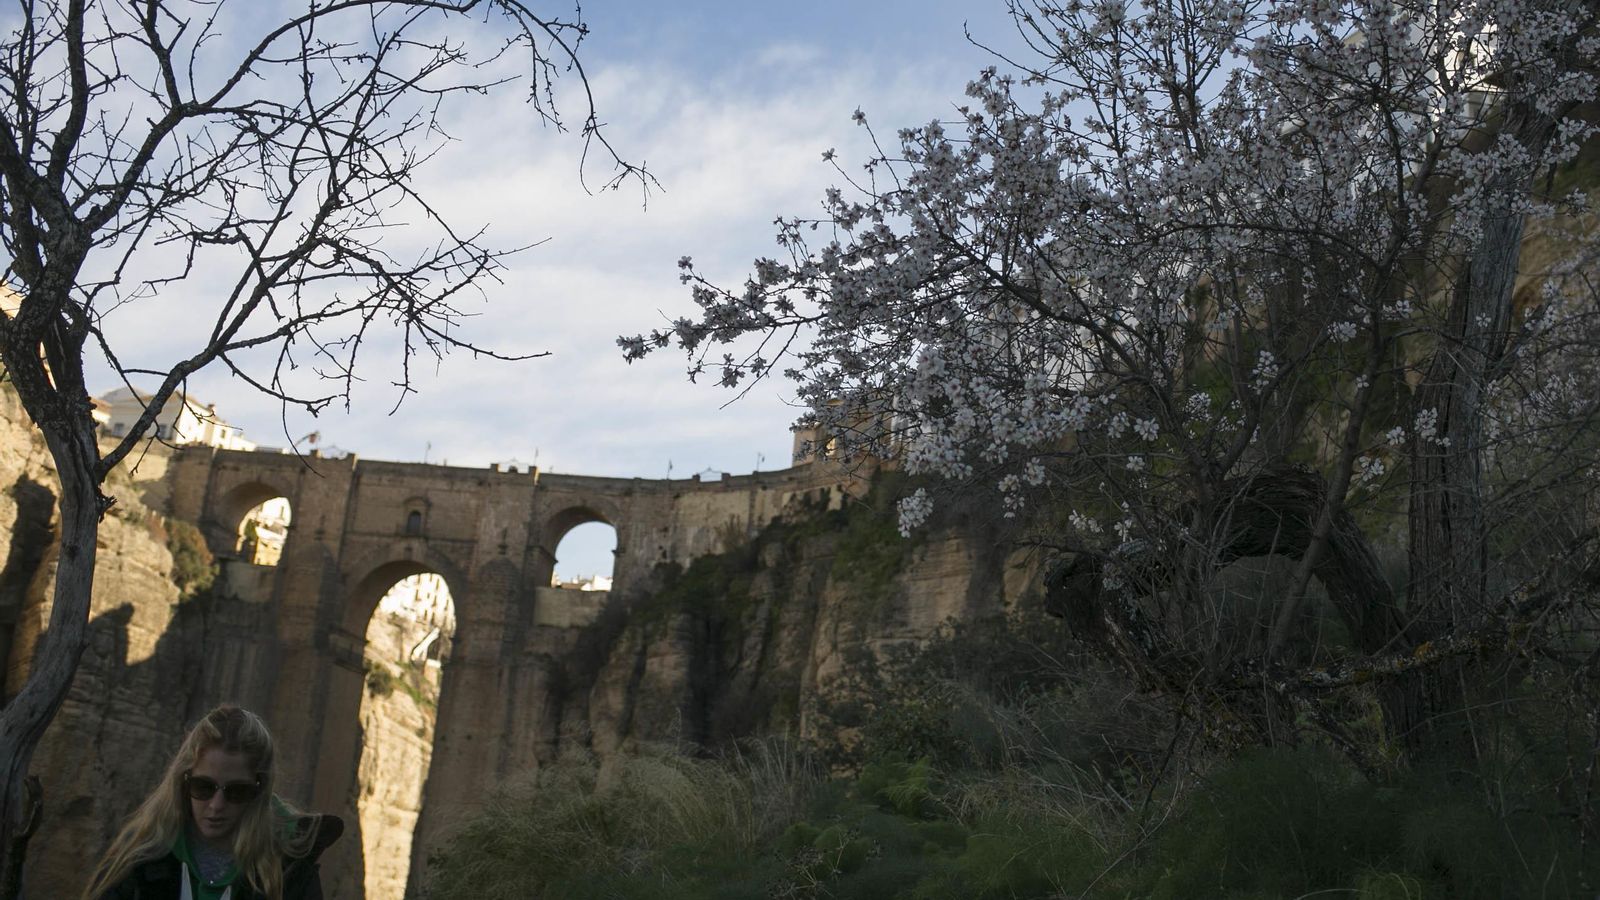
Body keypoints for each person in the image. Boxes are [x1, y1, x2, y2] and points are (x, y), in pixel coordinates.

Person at [82, 705, 342, 900]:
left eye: (236, 791)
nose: (216, 805)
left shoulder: (289, 869)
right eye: (203, 787)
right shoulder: (142, 857)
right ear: (184, 781)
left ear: (258, 791)